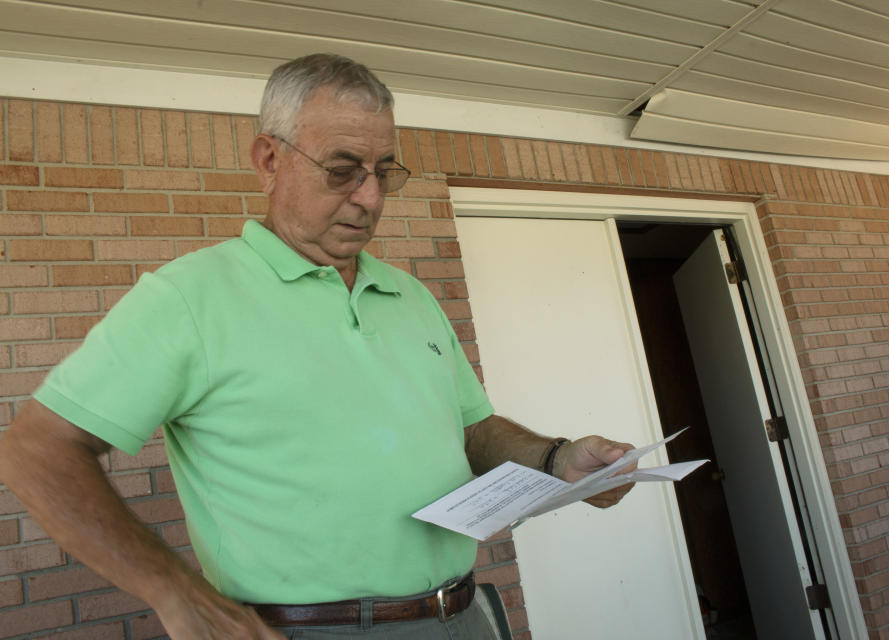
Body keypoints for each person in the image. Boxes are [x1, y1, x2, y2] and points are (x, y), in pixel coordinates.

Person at [0, 53, 635, 639]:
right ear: (269, 160)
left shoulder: (411, 297)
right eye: (342, 171)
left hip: (462, 616)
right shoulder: (189, 298)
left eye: (384, 172)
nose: (371, 197)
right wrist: (174, 590)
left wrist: (555, 460)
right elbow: (34, 451)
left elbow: (469, 430)